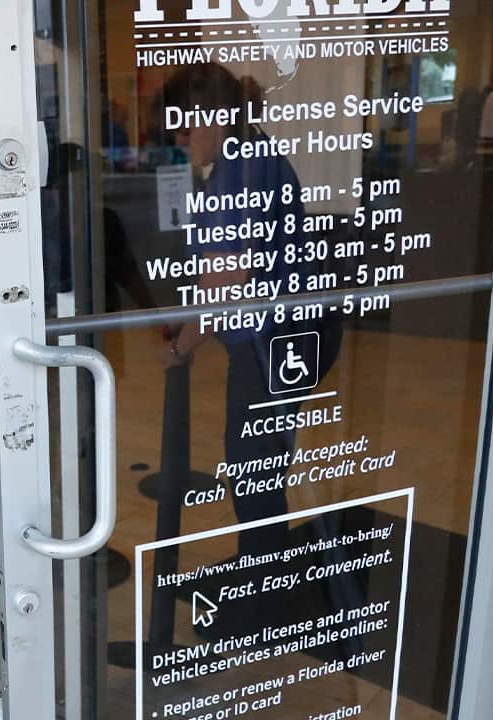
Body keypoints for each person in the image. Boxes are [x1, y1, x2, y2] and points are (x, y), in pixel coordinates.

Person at [156, 63, 339, 559]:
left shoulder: (235, 177)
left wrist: (180, 347)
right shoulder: (257, 153)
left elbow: (223, 290)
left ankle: (263, 596)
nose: (177, 136)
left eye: (183, 123)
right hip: (295, 339)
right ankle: (263, 578)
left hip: (269, 349)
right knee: (263, 472)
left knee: (253, 478)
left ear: (212, 116)